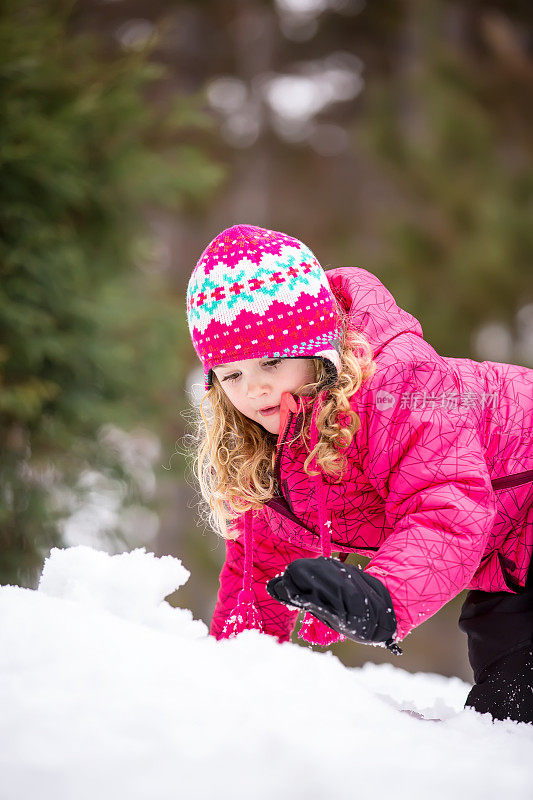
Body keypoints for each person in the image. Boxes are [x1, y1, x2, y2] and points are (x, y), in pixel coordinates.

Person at [186, 223, 533, 724]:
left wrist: (382, 595)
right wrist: (227, 680)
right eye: (233, 374)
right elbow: (259, 574)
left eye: (272, 362)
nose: (255, 390)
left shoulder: (399, 388)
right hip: (509, 557)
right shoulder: (267, 453)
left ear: (317, 350)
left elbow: (445, 504)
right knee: (512, 714)